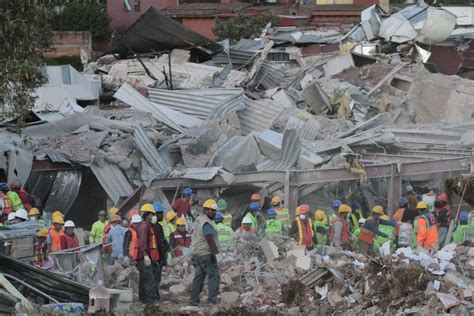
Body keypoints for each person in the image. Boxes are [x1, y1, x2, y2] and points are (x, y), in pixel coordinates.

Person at [190, 199, 220, 306]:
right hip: (206, 254)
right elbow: (209, 238)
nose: (214, 213)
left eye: (215, 211)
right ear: (206, 210)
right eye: (212, 211)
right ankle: (211, 301)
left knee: (199, 277)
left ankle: (193, 301)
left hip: (197, 254)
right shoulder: (206, 222)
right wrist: (216, 253)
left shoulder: (199, 219)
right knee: (214, 276)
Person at [137, 205, 160, 304]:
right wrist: (145, 255)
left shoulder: (149, 226)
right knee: (150, 280)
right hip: (144, 257)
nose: (153, 217)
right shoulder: (144, 227)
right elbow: (142, 243)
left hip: (148, 257)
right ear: (146, 215)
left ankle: (143, 300)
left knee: (144, 280)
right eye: (151, 214)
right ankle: (151, 302)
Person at [152, 201, 170, 269]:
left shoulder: (158, 225)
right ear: (156, 214)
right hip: (158, 257)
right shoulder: (155, 227)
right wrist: (163, 257)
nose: (163, 215)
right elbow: (160, 242)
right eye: (161, 213)